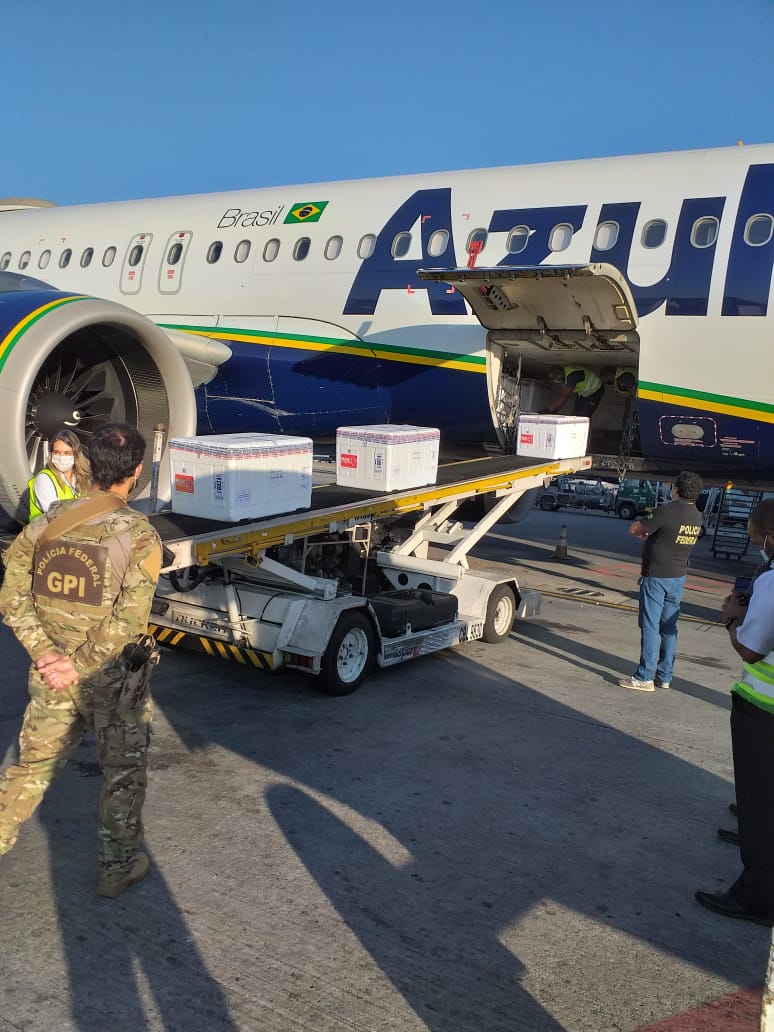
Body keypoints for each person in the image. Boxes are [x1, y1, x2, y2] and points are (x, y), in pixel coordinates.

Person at [0, 422, 162, 898]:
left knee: (30, 770)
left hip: (50, 676)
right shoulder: (139, 535)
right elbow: (129, 623)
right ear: (135, 472)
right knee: (123, 774)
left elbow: (11, 598)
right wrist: (79, 662)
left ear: (86, 465)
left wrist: (46, 654)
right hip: (111, 680)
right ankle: (117, 867)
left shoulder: (45, 523)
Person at [695, 500, 774, 926]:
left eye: (755, 536)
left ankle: (756, 898)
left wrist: (730, 619)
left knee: (761, 802)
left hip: (765, 712)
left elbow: (751, 649)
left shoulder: (773, 583)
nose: (756, 544)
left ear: (769, 538)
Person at [617, 470, 703, 691]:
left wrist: (642, 526)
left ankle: (644, 676)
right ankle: (664, 675)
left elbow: (635, 528)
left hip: (657, 576)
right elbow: (669, 534)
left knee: (650, 626)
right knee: (669, 628)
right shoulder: (696, 515)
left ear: (675, 489)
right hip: (678, 577)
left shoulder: (667, 510)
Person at [28, 428, 91, 520]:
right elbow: (55, 515)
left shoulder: (81, 479)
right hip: (47, 532)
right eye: (56, 452)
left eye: (67, 453)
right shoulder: (44, 479)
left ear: (76, 455)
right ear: (51, 454)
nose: (61, 458)